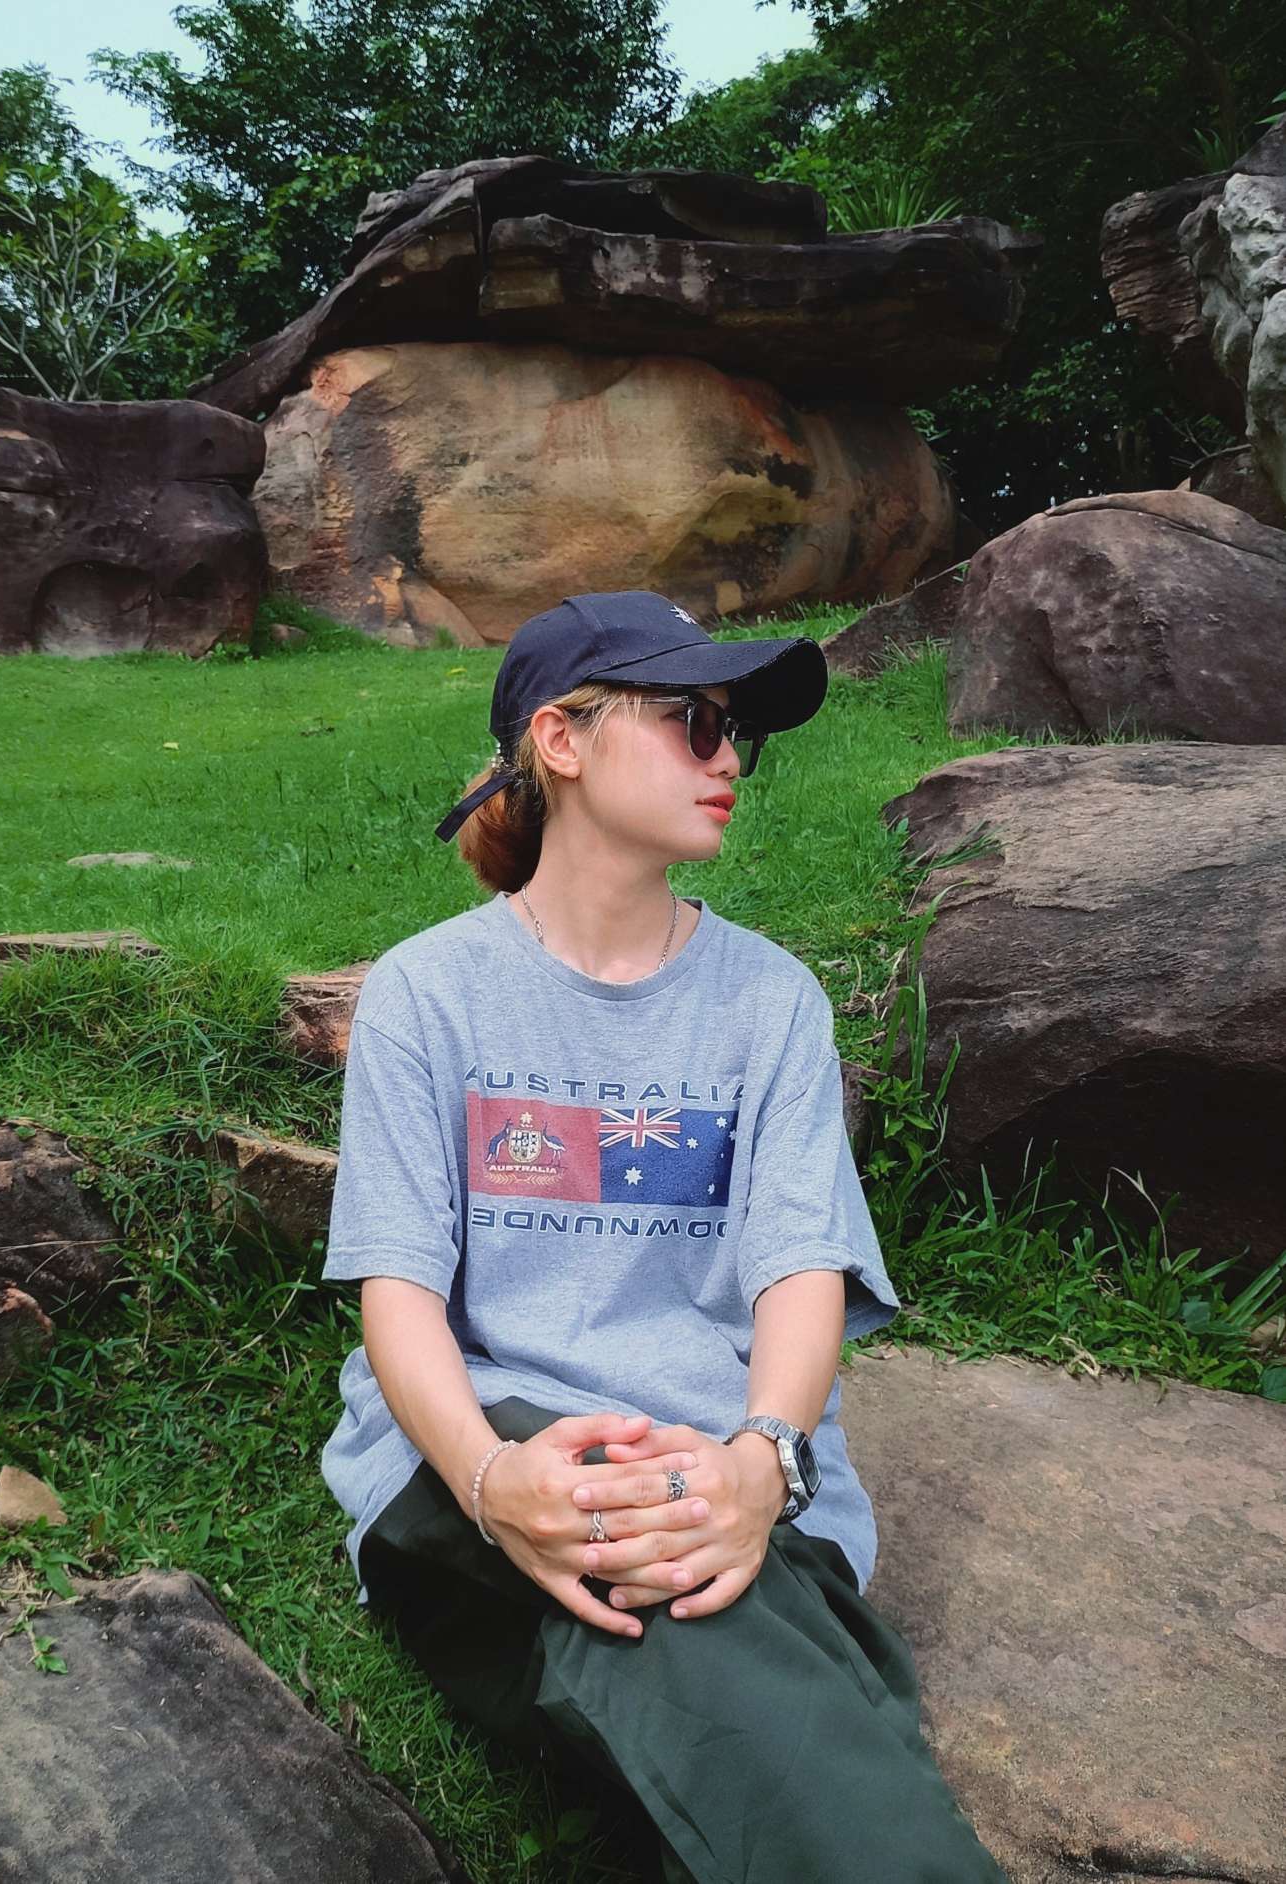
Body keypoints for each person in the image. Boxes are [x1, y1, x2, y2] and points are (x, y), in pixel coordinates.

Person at [318, 591, 1009, 1883]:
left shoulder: (772, 1003)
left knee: (677, 1597)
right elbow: (397, 1294)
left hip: (720, 1476)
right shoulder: (427, 994)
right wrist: (491, 1479)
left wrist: (762, 1463)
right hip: (481, 1465)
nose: (729, 756)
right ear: (561, 740)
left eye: (738, 731)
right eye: (694, 721)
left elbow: (801, 1272)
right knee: (705, 1611)